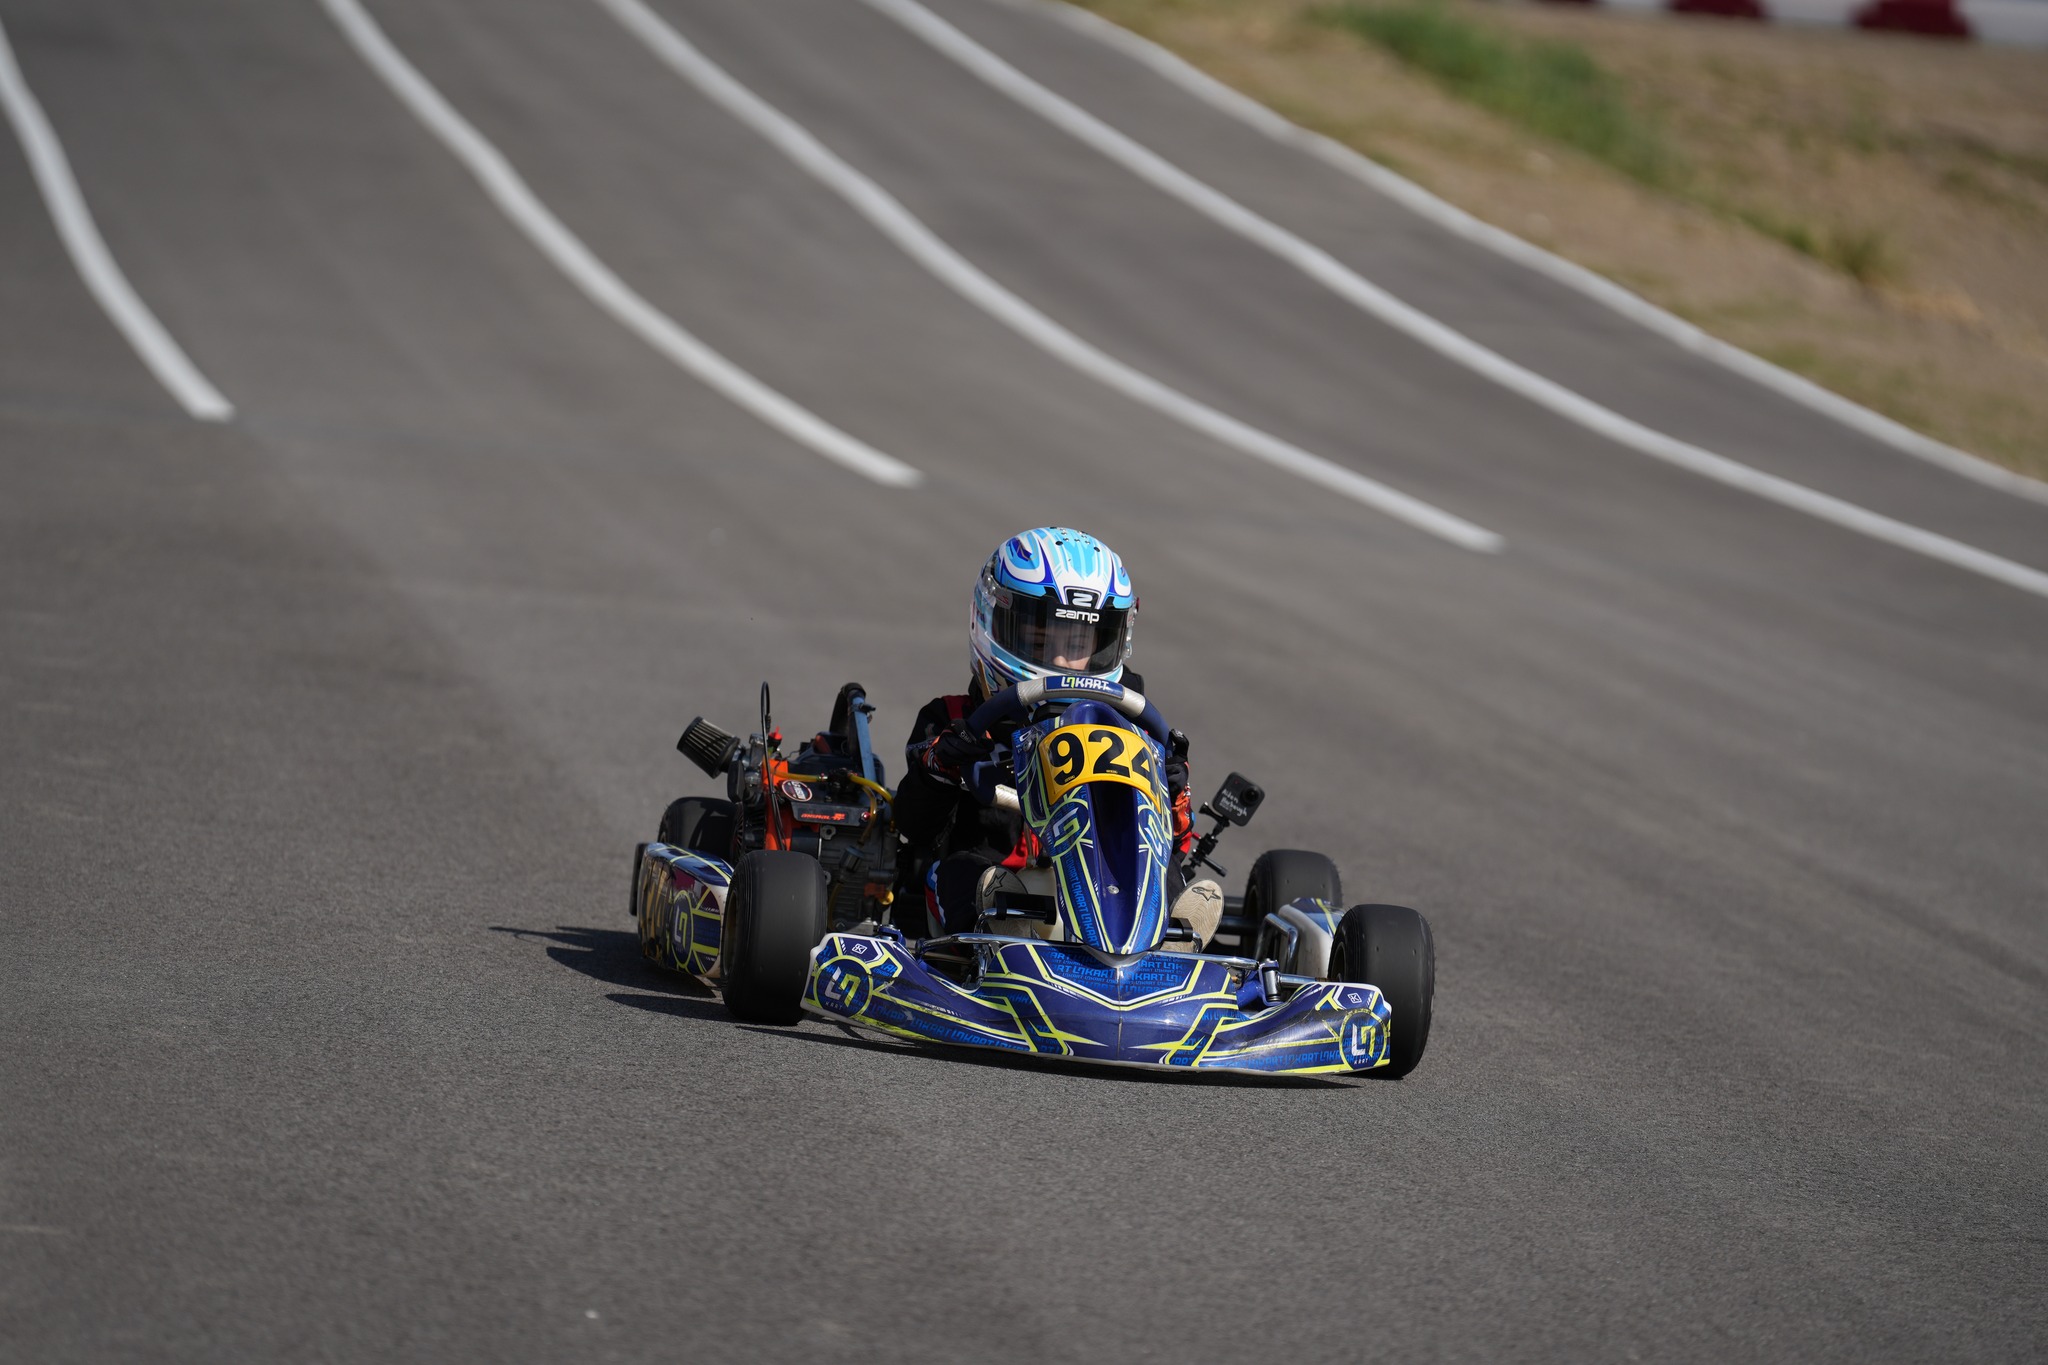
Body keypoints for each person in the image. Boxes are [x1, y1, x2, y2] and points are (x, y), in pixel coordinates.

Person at [895, 527, 1194, 936]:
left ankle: (1176, 932)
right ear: (990, 621)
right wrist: (944, 764)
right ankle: (996, 936)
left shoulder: (1134, 723)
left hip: (1106, 879)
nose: (1058, 660)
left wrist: (1173, 790)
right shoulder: (953, 717)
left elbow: (1173, 839)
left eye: (1076, 644)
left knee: (1160, 865)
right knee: (963, 871)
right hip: (994, 873)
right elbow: (913, 827)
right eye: (1039, 639)